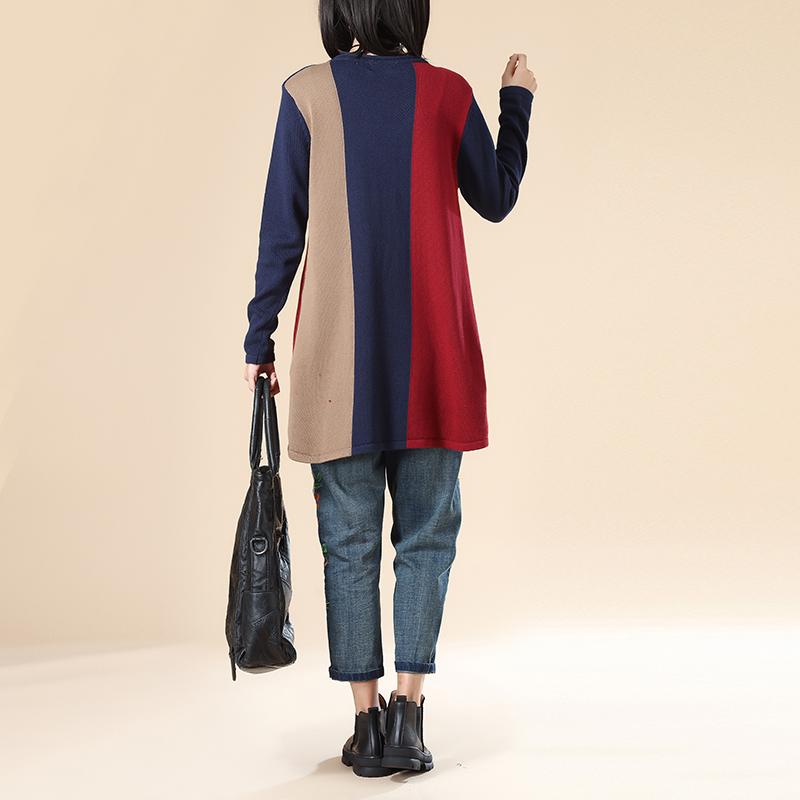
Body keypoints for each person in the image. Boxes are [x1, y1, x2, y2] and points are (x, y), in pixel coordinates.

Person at [241, 0, 536, 779]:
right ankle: (410, 715)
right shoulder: (447, 92)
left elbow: (281, 229)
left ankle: (366, 723)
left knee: (349, 543)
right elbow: (497, 196)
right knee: (427, 539)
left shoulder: (307, 93)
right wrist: (516, 103)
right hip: (434, 359)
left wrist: (259, 337)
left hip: (337, 364)